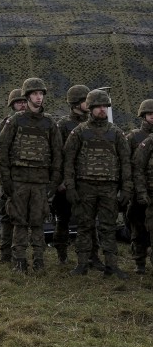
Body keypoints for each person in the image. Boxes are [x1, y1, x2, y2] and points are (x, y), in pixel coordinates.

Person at [63, 89, 135, 279]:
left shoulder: (116, 133)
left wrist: (126, 188)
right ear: (91, 108)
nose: (102, 110)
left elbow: (126, 162)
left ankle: (112, 266)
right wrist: (69, 186)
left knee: (108, 227)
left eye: (105, 106)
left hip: (109, 188)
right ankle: (82, 264)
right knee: (84, 226)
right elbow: (68, 160)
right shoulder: (79, 132)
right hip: (85, 187)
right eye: (98, 106)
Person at [0, 78, 63, 272]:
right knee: (18, 221)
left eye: (41, 94)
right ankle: (19, 261)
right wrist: (6, 180)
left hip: (41, 181)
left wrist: (54, 181)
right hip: (19, 180)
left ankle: (39, 260)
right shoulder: (16, 120)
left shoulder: (49, 122)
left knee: (38, 221)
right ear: (27, 97)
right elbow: (3, 150)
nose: (38, 97)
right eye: (35, 94)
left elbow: (58, 153)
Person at [55, 85, 102, 268]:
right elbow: (58, 154)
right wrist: (61, 181)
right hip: (67, 182)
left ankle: (93, 256)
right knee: (63, 219)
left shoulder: (94, 125)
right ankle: (61, 254)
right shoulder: (64, 125)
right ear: (76, 103)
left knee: (89, 220)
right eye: (85, 101)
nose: (89, 104)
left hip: (87, 181)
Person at [0, 88, 27, 264]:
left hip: (28, 178)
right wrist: (9, 121)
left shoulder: (36, 122)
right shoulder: (6, 123)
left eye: (24, 102)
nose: (22, 105)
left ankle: (24, 255)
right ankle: (5, 255)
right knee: (6, 216)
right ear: (12, 105)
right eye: (18, 102)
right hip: (8, 179)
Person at [125, 99, 153, 273]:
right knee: (138, 229)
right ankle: (139, 262)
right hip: (137, 193)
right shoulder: (134, 137)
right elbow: (128, 165)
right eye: (151, 115)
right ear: (143, 116)